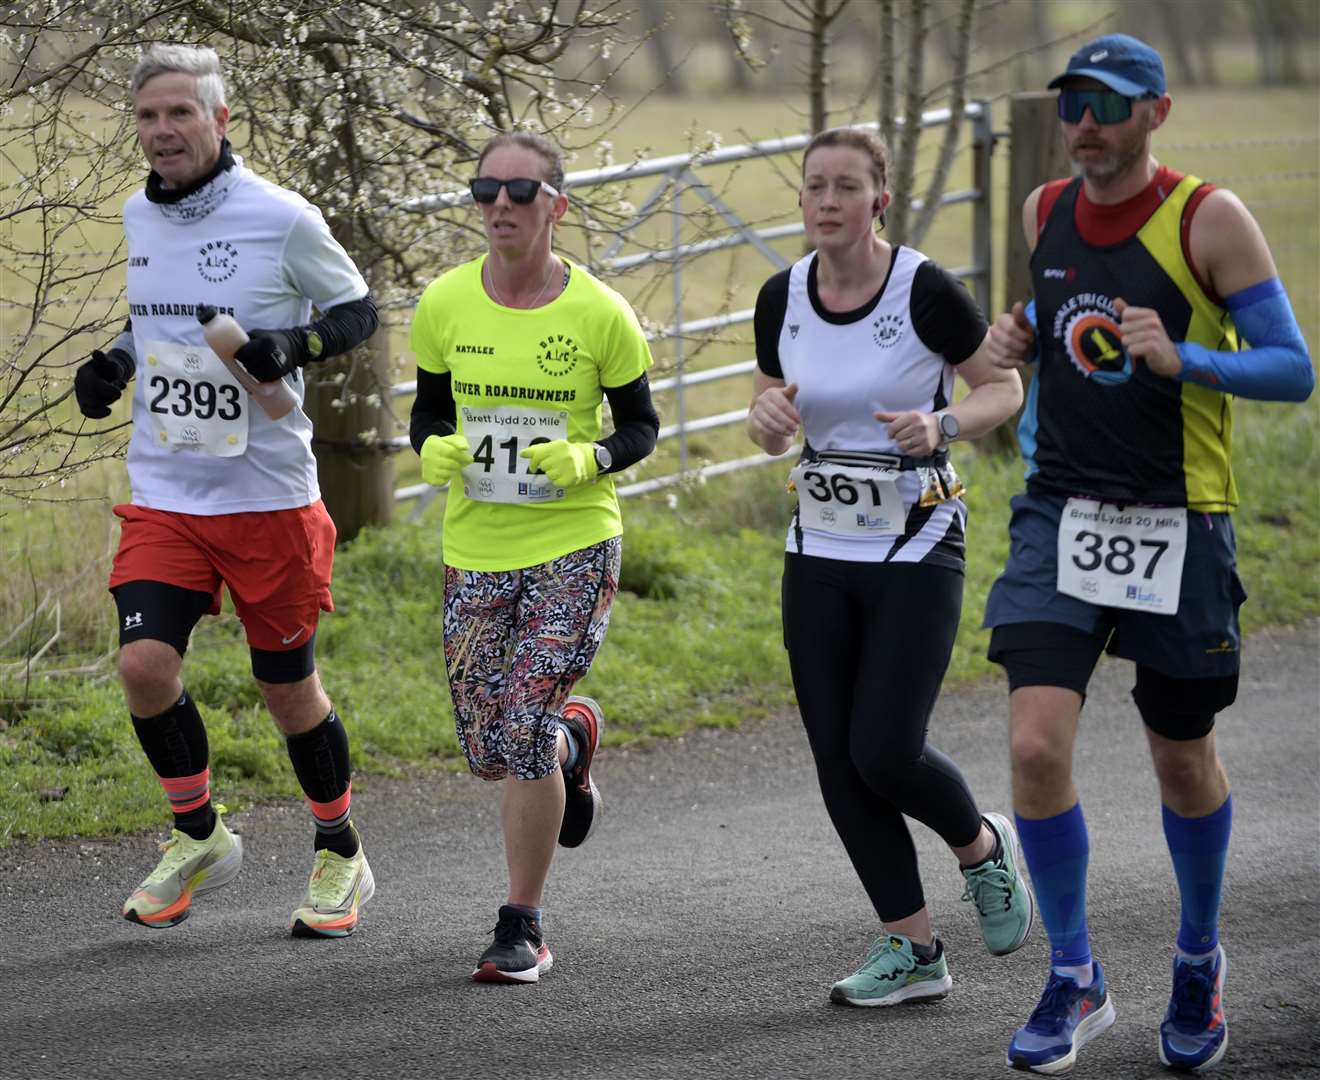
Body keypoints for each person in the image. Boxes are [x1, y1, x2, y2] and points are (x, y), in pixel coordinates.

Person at [983, 33, 1314, 1074]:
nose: (1087, 119)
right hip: (1059, 512)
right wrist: (1017, 337)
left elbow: (1293, 368)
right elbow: (1054, 312)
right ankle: (1075, 975)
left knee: (1182, 757)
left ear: (1157, 113)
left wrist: (1188, 357)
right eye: (1075, 100)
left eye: (1111, 104)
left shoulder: (1210, 219)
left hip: (1181, 518)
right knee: (1035, 747)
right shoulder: (1043, 210)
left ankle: (1198, 956)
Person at [73, 44, 381, 937]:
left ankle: (339, 852)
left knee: (286, 688)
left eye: (180, 113)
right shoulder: (138, 213)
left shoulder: (280, 217)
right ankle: (199, 833)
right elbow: (155, 319)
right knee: (142, 665)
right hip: (168, 489)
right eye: (147, 116)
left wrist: (296, 348)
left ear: (220, 120)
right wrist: (114, 366)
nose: (163, 131)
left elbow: (356, 310)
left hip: (268, 497)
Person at [745, 127, 1032, 1009]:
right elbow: (771, 401)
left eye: (846, 187)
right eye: (814, 187)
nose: (827, 201)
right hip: (818, 546)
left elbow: (1002, 388)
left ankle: (981, 845)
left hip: (916, 539)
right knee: (838, 759)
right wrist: (764, 420)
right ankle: (913, 949)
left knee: (884, 747)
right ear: (801, 202)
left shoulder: (923, 289)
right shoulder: (780, 294)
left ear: (879, 201)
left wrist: (940, 425)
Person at [408, 131, 659, 983]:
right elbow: (427, 413)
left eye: (520, 192)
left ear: (557, 203)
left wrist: (590, 459)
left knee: (519, 730)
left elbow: (641, 428)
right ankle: (572, 744)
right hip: (475, 544)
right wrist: (432, 450)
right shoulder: (444, 303)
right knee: (488, 746)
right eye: (486, 191)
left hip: (575, 541)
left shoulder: (599, 314)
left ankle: (522, 924)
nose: (500, 206)